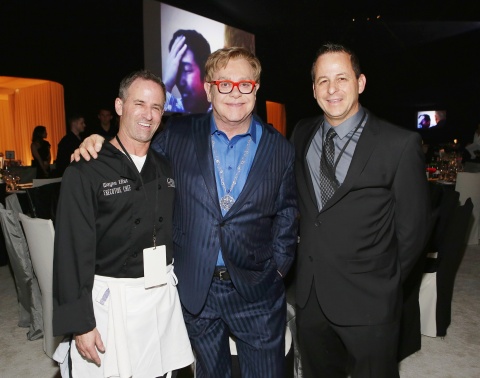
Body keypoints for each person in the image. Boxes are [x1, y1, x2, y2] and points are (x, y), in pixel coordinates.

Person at [74, 47, 299, 378]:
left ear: (256, 88)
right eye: (224, 84)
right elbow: (135, 155)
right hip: (196, 290)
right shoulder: (177, 135)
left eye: (245, 84)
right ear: (208, 89)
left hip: (257, 292)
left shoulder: (280, 148)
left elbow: (288, 214)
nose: (234, 93)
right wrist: (101, 144)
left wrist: (277, 271)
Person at [290, 43, 430, 377]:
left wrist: (384, 283)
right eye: (322, 81)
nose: (332, 88)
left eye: (341, 78)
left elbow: (413, 231)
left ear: (361, 83)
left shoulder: (398, 144)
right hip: (310, 298)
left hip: (369, 302)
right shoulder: (301, 133)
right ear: (313, 89)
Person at [52, 70, 194, 378]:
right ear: (119, 106)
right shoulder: (85, 171)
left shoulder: (165, 165)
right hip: (112, 301)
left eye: (156, 107)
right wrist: (81, 324)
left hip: (161, 297)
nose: (148, 114)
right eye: (139, 103)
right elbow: (70, 252)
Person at [163, 29, 211, 114]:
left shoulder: (222, 110)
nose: (181, 82)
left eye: (186, 70)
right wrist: (167, 85)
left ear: (205, 71)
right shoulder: (174, 108)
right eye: (177, 71)